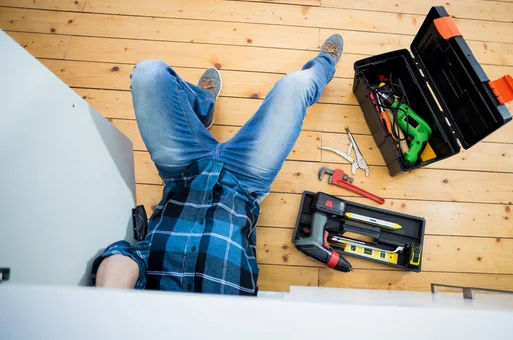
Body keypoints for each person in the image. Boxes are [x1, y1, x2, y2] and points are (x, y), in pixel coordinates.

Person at [92, 34, 344, 295]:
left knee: (148, 73)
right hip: (243, 185)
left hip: (184, 174)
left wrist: (111, 300)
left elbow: (123, 253)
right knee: (296, 87)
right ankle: (325, 62)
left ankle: (203, 104)